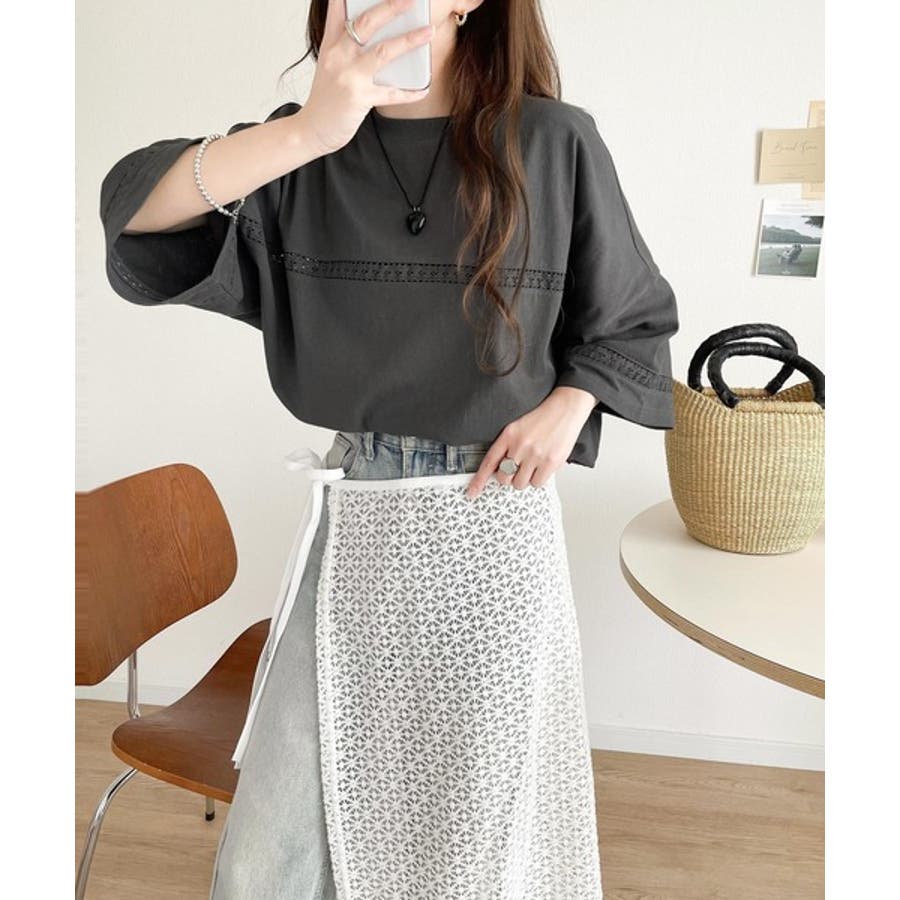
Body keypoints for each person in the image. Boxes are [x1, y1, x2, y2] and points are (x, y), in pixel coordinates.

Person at [98, 1, 680, 897]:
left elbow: (632, 318)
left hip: (492, 522)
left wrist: (571, 402)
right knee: (271, 856)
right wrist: (309, 131)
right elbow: (134, 216)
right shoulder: (300, 150)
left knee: (466, 842)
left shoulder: (553, 141)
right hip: (355, 518)